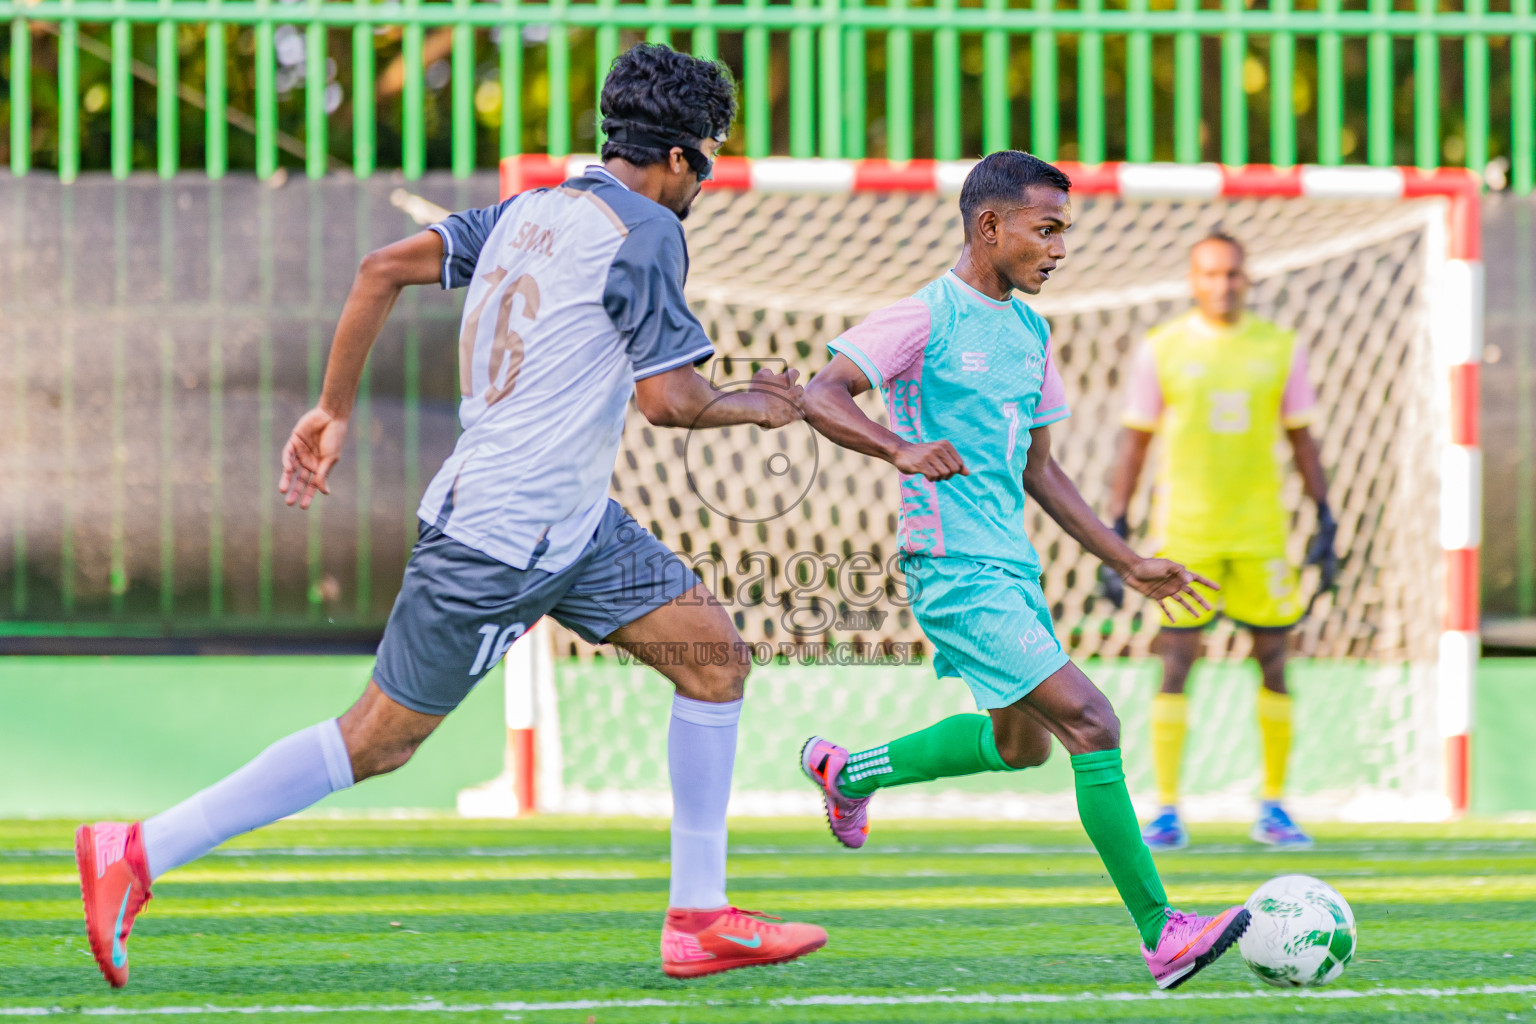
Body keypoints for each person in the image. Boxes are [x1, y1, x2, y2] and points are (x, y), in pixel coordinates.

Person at [72, 43, 827, 989]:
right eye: (708, 159)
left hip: (571, 524)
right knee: (377, 740)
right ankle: (137, 850)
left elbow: (380, 266)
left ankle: (699, 918)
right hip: (500, 537)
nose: (704, 182)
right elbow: (670, 402)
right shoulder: (649, 228)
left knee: (712, 658)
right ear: (679, 157)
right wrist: (755, 400)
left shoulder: (531, 211)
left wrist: (333, 409)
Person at [796, 150, 1250, 991]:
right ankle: (1163, 932)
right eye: (1047, 230)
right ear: (989, 225)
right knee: (1094, 722)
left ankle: (847, 771)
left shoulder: (1033, 333)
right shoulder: (922, 319)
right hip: (950, 566)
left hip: (1011, 565)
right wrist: (899, 447)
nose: (1059, 248)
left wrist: (1129, 560)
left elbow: (1043, 471)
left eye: (1063, 232)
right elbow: (821, 394)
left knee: (1022, 746)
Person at [1100, 233, 1336, 853]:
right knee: (1176, 660)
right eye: (1210, 273)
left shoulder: (1279, 348)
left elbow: (1302, 439)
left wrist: (1326, 515)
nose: (1222, 284)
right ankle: (1168, 809)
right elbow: (1136, 440)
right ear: (1193, 278)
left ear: (1247, 277)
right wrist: (1117, 522)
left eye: (1231, 273)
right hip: (1187, 533)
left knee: (1276, 659)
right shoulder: (1164, 348)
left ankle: (1275, 807)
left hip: (1261, 531)